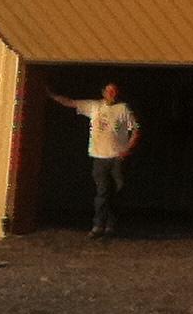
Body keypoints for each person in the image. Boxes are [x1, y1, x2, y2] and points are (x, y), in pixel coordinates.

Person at [50, 82, 140, 237]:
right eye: (109, 91)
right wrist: (50, 94)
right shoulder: (94, 106)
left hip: (117, 158)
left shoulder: (122, 109)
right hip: (99, 157)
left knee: (117, 191)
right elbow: (70, 102)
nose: (112, 94)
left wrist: (127, 149)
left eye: (114, 91)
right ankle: (98, 225)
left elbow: (136, 129)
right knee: (102, 192)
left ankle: (111, 224)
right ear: (103, 92)